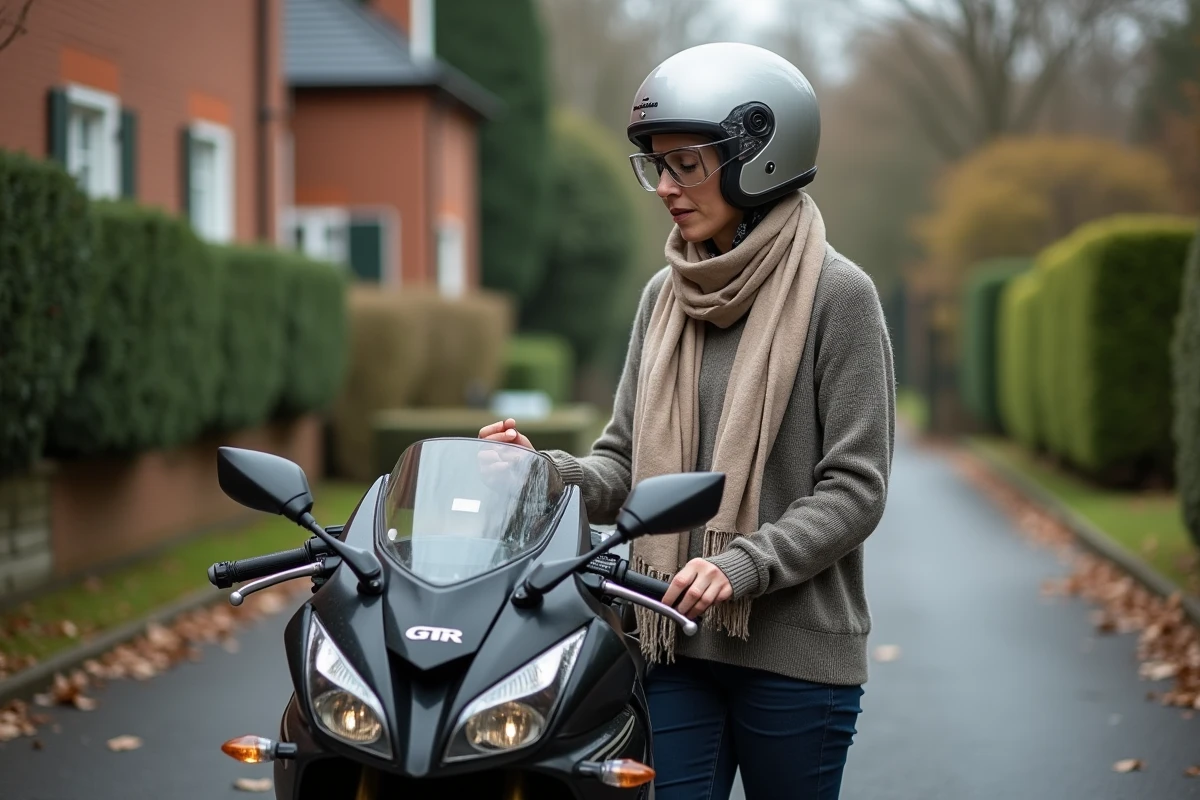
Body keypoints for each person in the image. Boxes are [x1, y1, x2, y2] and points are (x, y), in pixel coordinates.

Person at [480, 42, 895, 800]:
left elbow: (855, 489)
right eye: (656, 166)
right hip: (666, 642)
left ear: (758, 156)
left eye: (686, 164)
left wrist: (740, 565)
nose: (665, 187)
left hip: (797, 658)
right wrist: (543, 472)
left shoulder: (841, 296)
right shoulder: (663, 298)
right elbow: (626, 466)